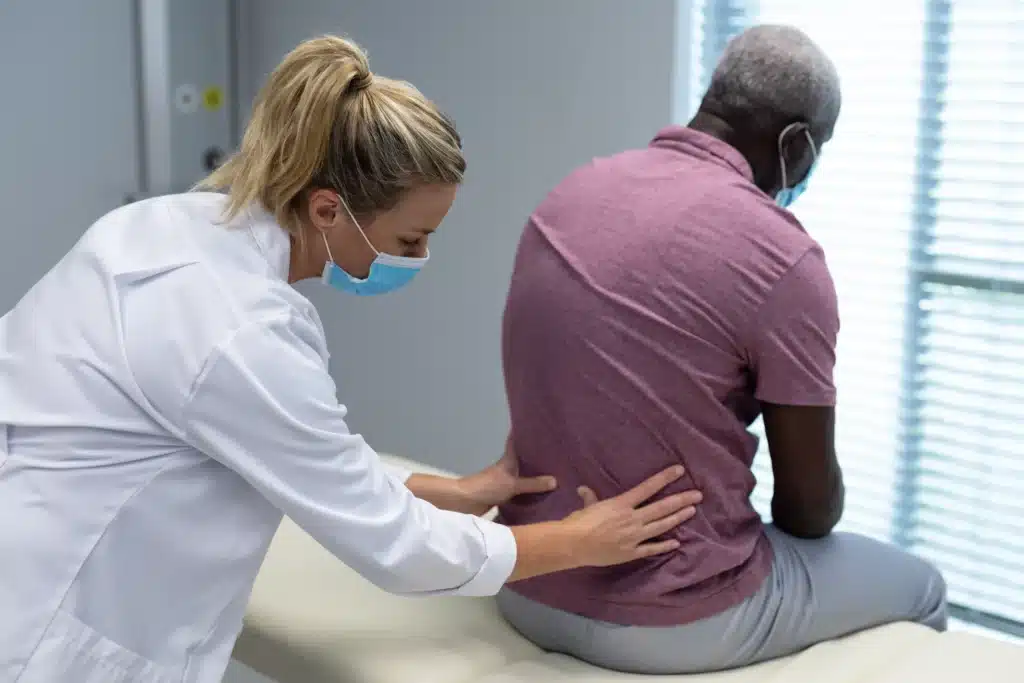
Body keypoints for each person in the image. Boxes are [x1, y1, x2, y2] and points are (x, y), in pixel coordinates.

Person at [0, 35, 704, 683]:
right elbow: (397, 548)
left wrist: (455, 492)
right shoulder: (239, 332)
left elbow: (297, 453)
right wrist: (578, 540)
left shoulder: (161, 230)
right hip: (50, 635)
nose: (420, 260)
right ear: (329, 210)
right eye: (408, 241)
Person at [496, 24, 948, 675]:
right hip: (673, 623)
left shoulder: (569, 195)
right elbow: (808, 510)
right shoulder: (781, 255)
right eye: (817, 150)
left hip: (525, 580)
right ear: (795, 144)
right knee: (922, 585)